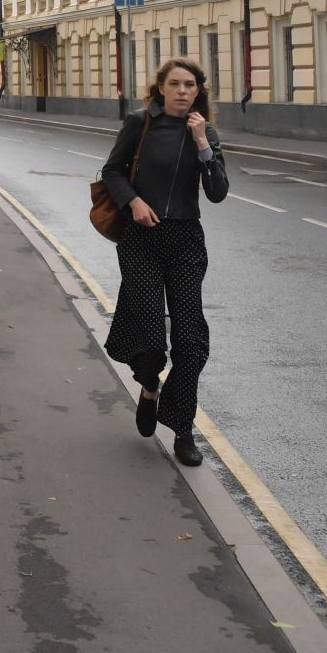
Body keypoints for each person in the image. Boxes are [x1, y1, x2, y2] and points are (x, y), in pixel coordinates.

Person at [100, 57, 228, 467]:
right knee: (153, 338)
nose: (182, 91)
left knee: (191, 341)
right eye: (174, 84)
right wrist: (133, 202)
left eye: (190, 85)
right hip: (142, 238)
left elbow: (218, 192)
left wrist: (203, 145)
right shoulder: (140, 123)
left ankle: (183, 429)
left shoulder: (203, 132)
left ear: (199, 90)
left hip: (186, 239)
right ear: (160, 88)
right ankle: (149, 385)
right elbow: (112, 171)